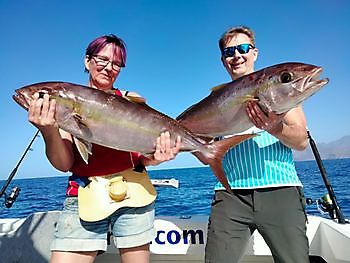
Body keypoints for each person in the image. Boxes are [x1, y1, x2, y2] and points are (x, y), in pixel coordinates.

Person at [27, 34, 181, 263]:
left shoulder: (132, 100)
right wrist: (48, 131)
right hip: (85, 193)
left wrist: (157, 158)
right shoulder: (69, 102)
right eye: (102, 59)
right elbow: (64, 164)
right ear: (87, 61)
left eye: (117, 63)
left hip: (134, 192)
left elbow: (142, 157)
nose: (109, 67)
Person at [204, 26, 310, 262]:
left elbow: (301, 140)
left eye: (243, 48)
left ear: (255, 53)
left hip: (280, 190)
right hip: (230, 194)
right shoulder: (216, 101)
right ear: (223, 61)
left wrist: (272, 126)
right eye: (229, 52)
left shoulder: (280, 89)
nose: (236, 56)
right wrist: (192, 147)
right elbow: (206, 152)